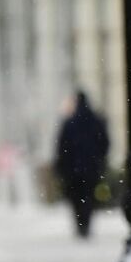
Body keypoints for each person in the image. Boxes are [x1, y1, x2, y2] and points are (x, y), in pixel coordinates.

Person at [53, 90, 110, 239]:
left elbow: (62, 147)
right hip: (91, 168)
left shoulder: (70, 123)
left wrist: (62, 165)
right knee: (88, 196)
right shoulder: (96, 121)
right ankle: (86, 222)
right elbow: (104, 143)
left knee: (76, 198)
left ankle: (80, 223)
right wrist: (99, 159)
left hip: (74, 170)